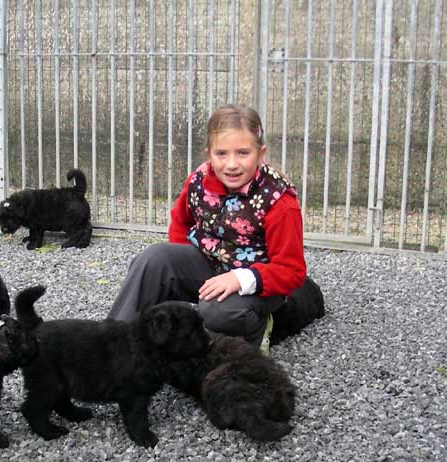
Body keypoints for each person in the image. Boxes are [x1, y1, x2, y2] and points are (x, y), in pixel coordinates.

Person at [107, 104, 306, 354]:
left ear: (260, 153)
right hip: (212, 265)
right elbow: (181, 222)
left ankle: (256, 329)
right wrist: (179, 272)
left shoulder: (279, 201)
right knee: (153, 258)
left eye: (243, 153)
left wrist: (240, 279)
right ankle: (113, 346)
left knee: (216, 310)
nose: (231, 164)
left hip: (259, 283)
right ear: (208, 154)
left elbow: (292, 271)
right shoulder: (198, 180)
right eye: (221, 153)